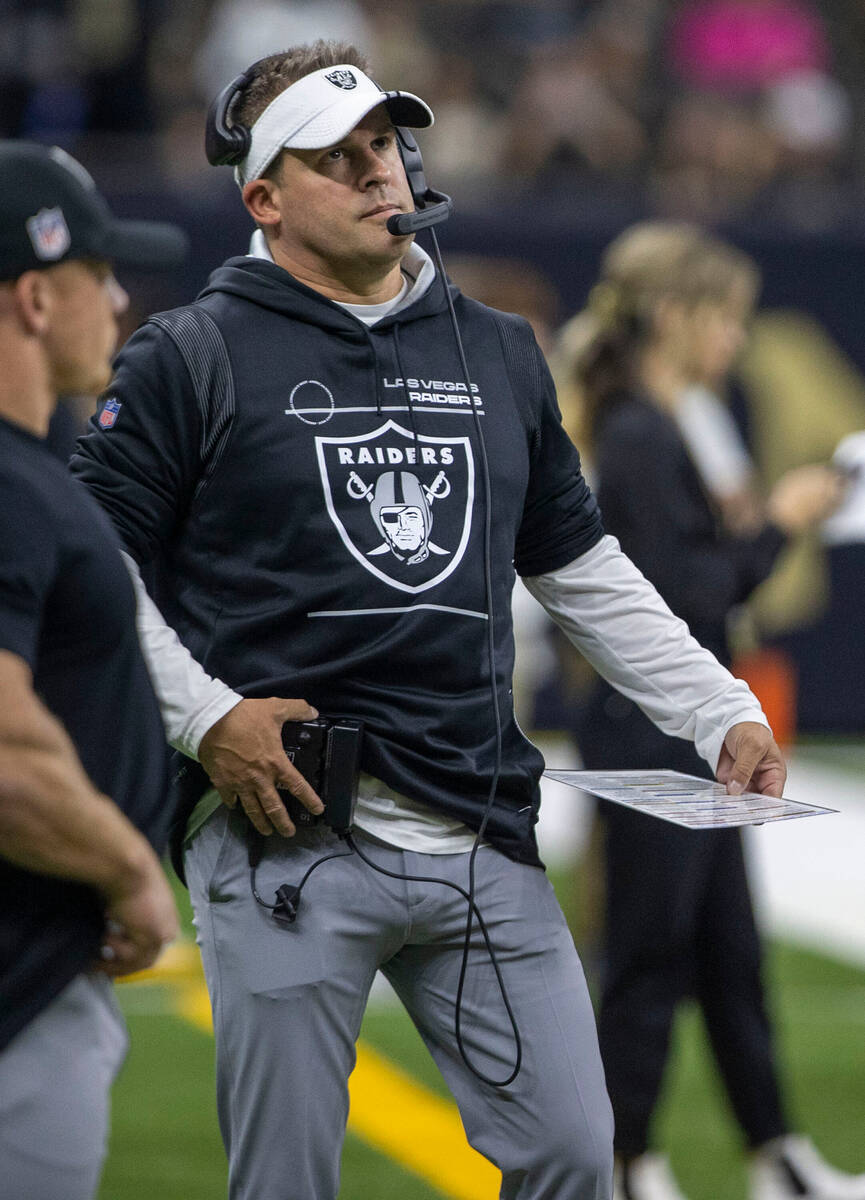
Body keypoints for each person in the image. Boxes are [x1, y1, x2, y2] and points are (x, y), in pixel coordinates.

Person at [72, 42, 788, 1200]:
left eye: (383, 147)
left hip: (477, 820)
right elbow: (87, 563)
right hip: (284, 831)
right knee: (285, 1180)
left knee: (570, 1156)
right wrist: (205, 721)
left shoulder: (498, 346)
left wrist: (714, 709)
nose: (376, 173)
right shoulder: (190, 352)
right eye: (333, 158)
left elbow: (577, 563)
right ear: (262, 197)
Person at [558, 221, 863, 1200]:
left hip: (691, 732)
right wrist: (780, 522)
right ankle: (622, 1160)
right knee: (647, 957)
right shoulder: (639, 429)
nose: (734, 341)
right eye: (724, 317)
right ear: (678, 314)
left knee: (730, 952)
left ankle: (774, 1154)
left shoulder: (662, 420)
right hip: (655, 728)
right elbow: (683, 594)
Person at [0, 140, 185, 1200]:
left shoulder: (30, 476)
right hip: (21, 989)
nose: (117, 300)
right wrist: (125, 868)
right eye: (98, 275)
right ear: (34, 296)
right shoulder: (11, 490)